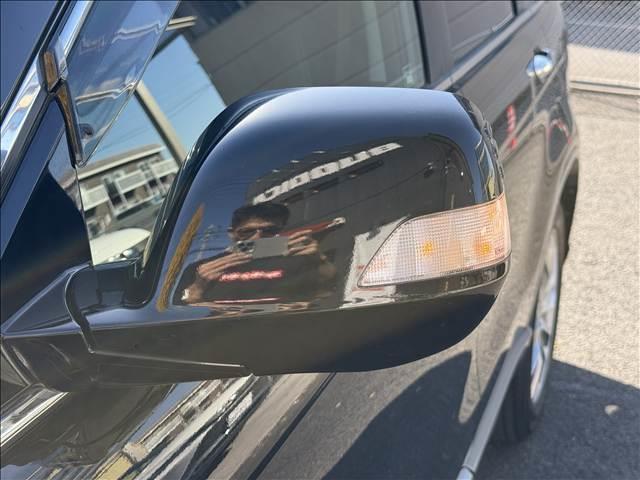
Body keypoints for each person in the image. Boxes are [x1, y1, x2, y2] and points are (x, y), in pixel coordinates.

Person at [179, 203, 334, 305]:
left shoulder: (298, 258)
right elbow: (181, 308)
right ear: (232, 234)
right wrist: (197, 287)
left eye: (269, 230)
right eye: (247, 231)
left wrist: (320, 260)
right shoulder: (199, 269)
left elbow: (329, 290)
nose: (257, 237)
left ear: (280, 231)